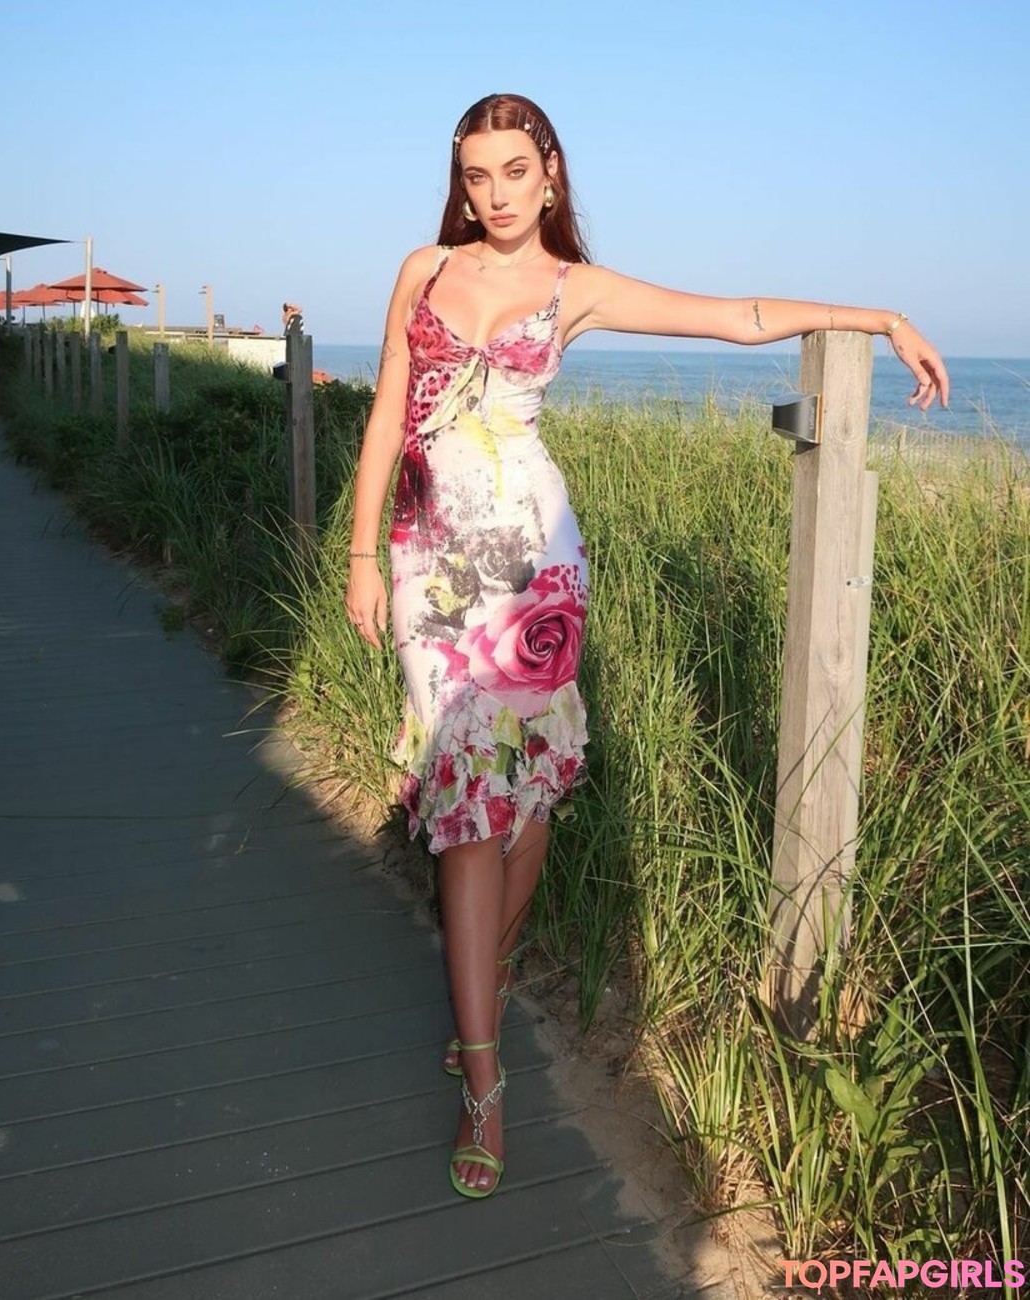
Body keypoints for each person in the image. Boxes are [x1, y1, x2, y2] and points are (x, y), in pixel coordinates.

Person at [345, 93, 948, 1200]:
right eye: (477, 175)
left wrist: (878, 316)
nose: (496, 194)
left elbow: (736, 317)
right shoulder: (422, 271)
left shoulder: (575, 286)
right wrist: (360, 556)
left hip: (536, 564)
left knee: (527, 801)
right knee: (466, 811)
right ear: (459, 183)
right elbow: (389, 412)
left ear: (550, 175)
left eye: (515, 171)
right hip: (431, 566)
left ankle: (488, 977)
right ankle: (483, 1075)